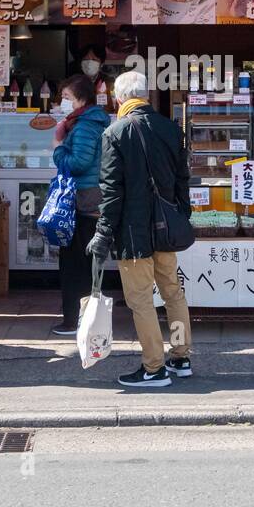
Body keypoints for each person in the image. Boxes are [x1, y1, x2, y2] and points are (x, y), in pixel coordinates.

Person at [86, 70, 194, 387]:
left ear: (120, 98)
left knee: (141, 301)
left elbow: (111, 194)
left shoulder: (115, 133)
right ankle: (181, 356)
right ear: (144, 95)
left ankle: (153, 367)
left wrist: (103, 235)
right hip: (166, 230)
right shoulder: (170, 129)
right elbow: (182, 181)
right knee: (174, 294)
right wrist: (180, 215)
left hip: (134, 235)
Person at [50, 74, 111, 336]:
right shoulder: (85, 121)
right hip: (90, 199)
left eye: (66, 98)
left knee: (75, 260)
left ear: (81, 99)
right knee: (85, 260)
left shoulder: (85, 126)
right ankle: (84, 317)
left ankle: (75, 319)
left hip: (85, 200)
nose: (63, 102)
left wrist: (58, 146)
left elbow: (78, 164)